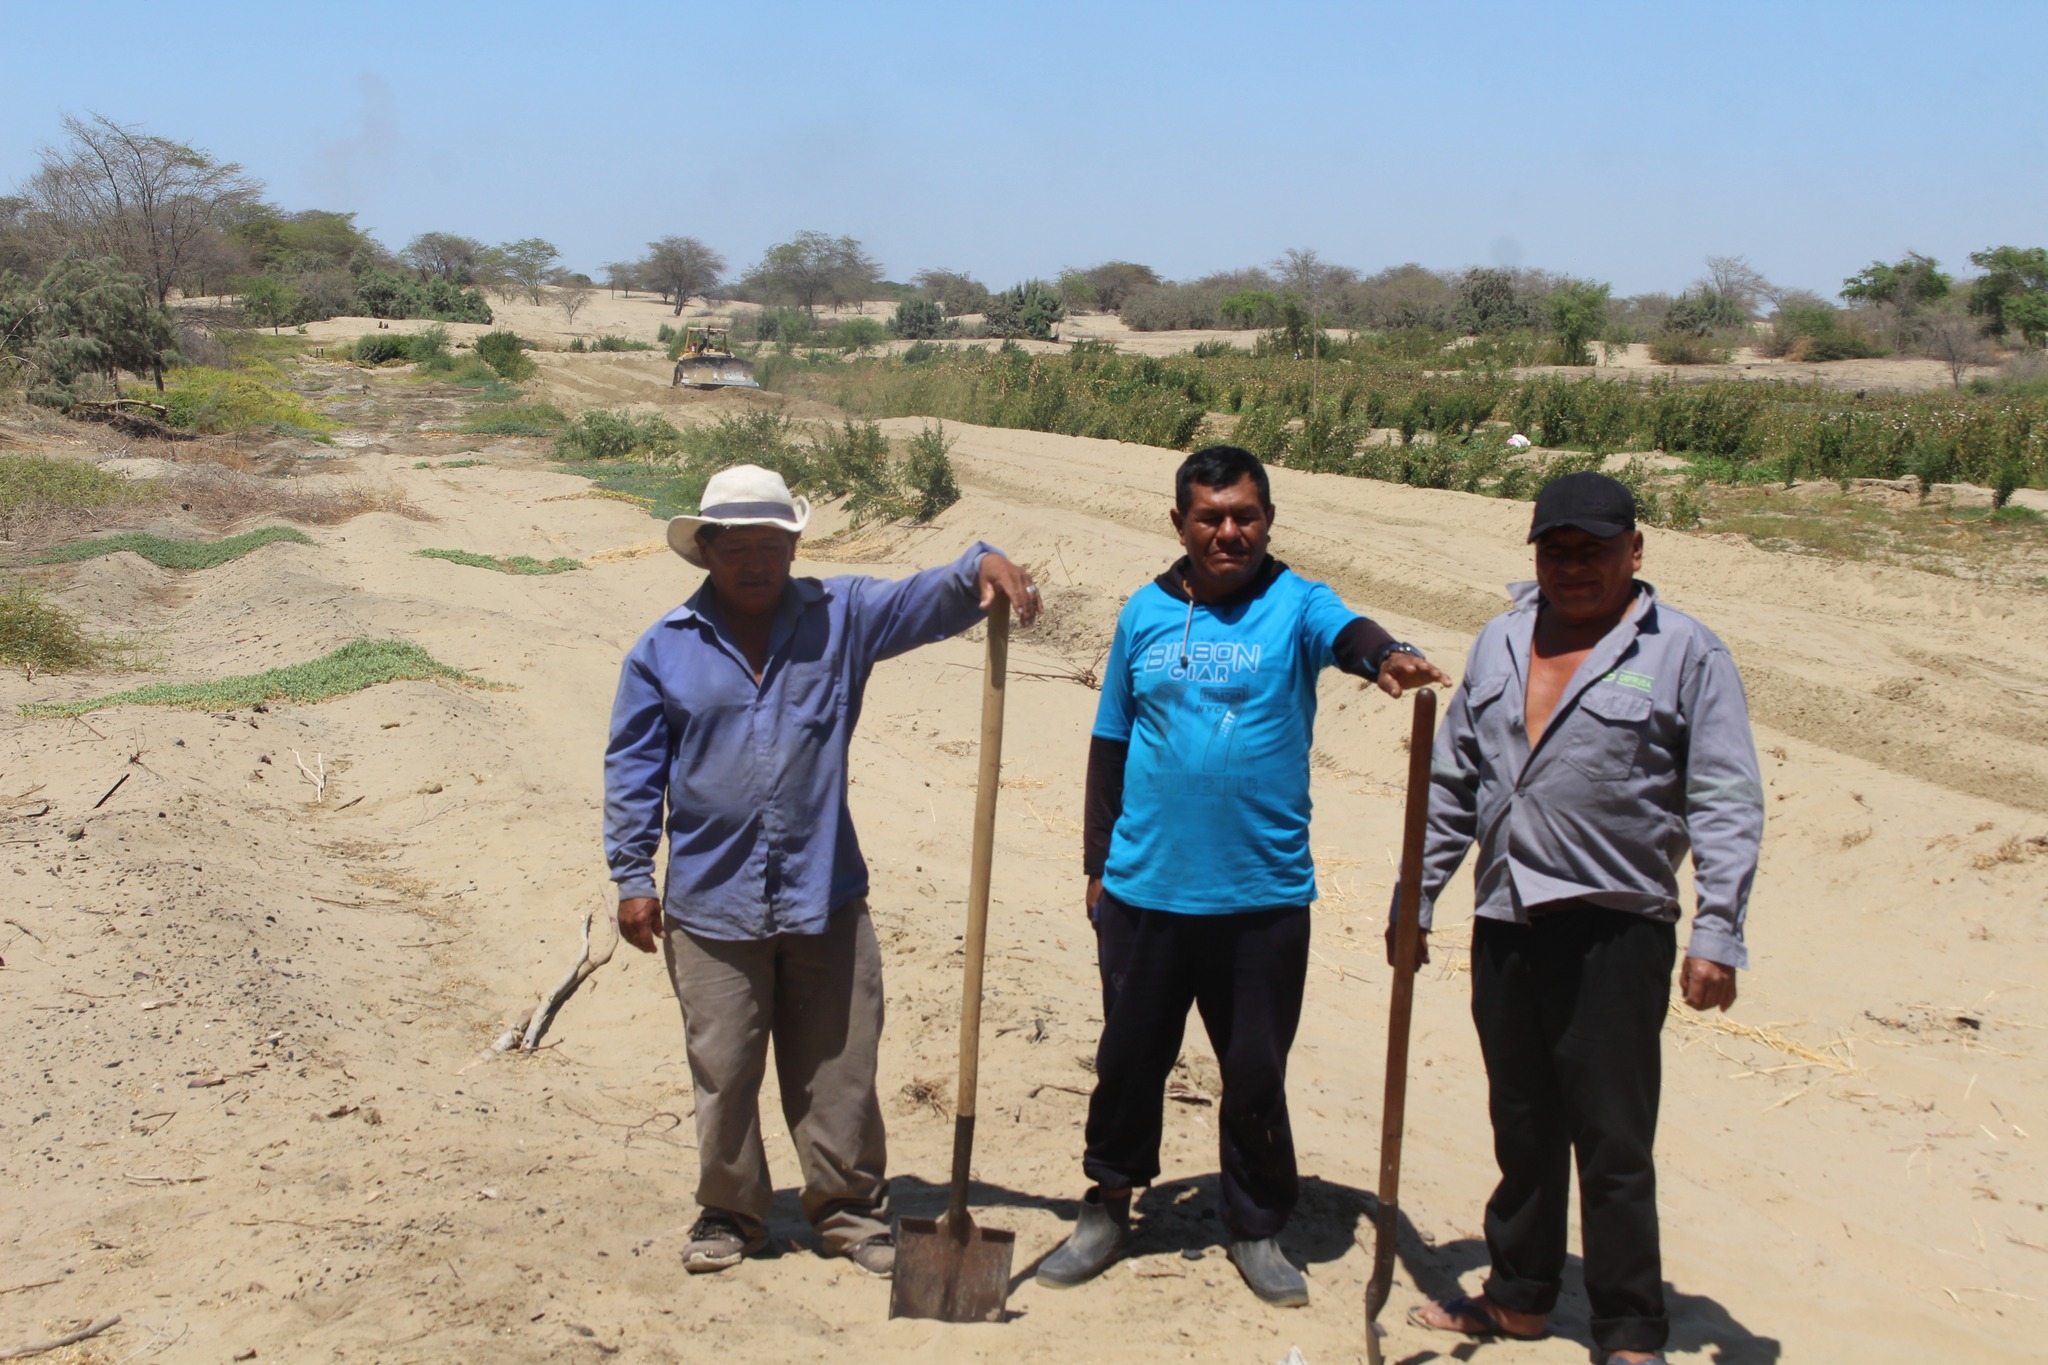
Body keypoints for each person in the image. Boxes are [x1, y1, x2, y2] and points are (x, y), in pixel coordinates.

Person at [1036, 445, 1450, 1306]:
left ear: (1267, 519)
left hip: (1261, 896)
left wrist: (1388, 656)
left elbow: (1350, 634)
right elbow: (1110, 744)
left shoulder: (1297, 602)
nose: (1230, 531)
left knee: (1255, 1069)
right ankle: (1109, 1207)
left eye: (1245, 515)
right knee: (1128, 1060)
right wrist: (1094, 864)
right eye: (1211, 516)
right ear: (1179, 522)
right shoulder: (1144, 614)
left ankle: (1256, 1224)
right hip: (1144, 889)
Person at [604, 463, 1039, 1279]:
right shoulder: (663, 650)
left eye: (774, 544)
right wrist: (633, 875)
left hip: (825, 893)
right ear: (708, 551)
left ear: (795, 543)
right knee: (725, 1069)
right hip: (710, 905)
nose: (758, 562)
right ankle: (731, 1213)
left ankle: (847, 1212)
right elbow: (632, 767)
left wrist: (980, 563)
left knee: (840, 1067)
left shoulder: (843, 616)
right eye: (739, 547)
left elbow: (928, 597)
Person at [1403, 472, 1763, 1365]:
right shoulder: (1498, 643)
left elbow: (1724, 797)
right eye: (1556, 551)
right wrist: (1415, 899)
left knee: (1611, 1138)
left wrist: (1718, 933)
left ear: (1633, 552)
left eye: (1593, 551)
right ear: (1536, 555)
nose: (1573, 568)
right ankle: (1519, 1297)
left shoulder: (1685, 651)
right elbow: (1452, 784)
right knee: (1522, 1124)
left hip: (1615, 927)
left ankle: (1630, 1328)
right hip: (1508, 919)